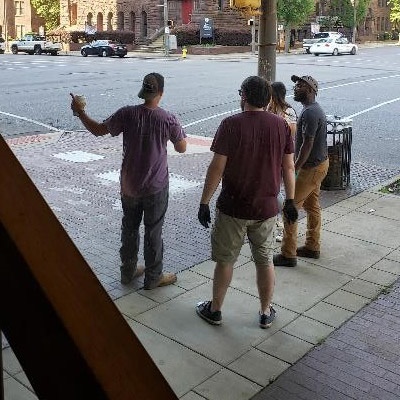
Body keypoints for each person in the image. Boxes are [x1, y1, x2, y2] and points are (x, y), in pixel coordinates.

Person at [196, 76, 298, 329]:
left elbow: (217, 167)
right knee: (264, 260)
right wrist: (291, 201)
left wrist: (204, 202)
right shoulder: (281, 126)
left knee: (226, 260)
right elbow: (288, 166)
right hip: (267, 208)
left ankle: (216, 309)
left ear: (243, 96)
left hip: (233, 207)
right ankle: (265, 312)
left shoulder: (230, 124)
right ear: (269, 99)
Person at [70, 72, 187, 289]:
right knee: (153, 231)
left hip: (129, 186)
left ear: (143, 92)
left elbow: (97, 130)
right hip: (156, 186)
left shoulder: (127, 113)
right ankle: (154, 277)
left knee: (129, 229)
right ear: (161, 93)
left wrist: (80, 112)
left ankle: (128, 271)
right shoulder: (167, 118)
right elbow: (182, 147)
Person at [273, 75, 329, 268]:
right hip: (319, 165)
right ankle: (312, 246)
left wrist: (294, 168)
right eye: (296, 85)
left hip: (310, 168)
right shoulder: (311, 110)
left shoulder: (311, 113)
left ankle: (288, 254)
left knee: (290, 208)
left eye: (301, 85)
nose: (296, 88)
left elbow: (307, 144)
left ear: (312, 90)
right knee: (312, 206)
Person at [267, 81, 297, 242]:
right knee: (274, 190)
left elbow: (291, 133)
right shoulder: (268, 109)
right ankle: (275, 221)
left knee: (281, 191)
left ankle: (281, 223)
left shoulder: (288, 111)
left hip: (284, 157)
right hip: (272, 157)